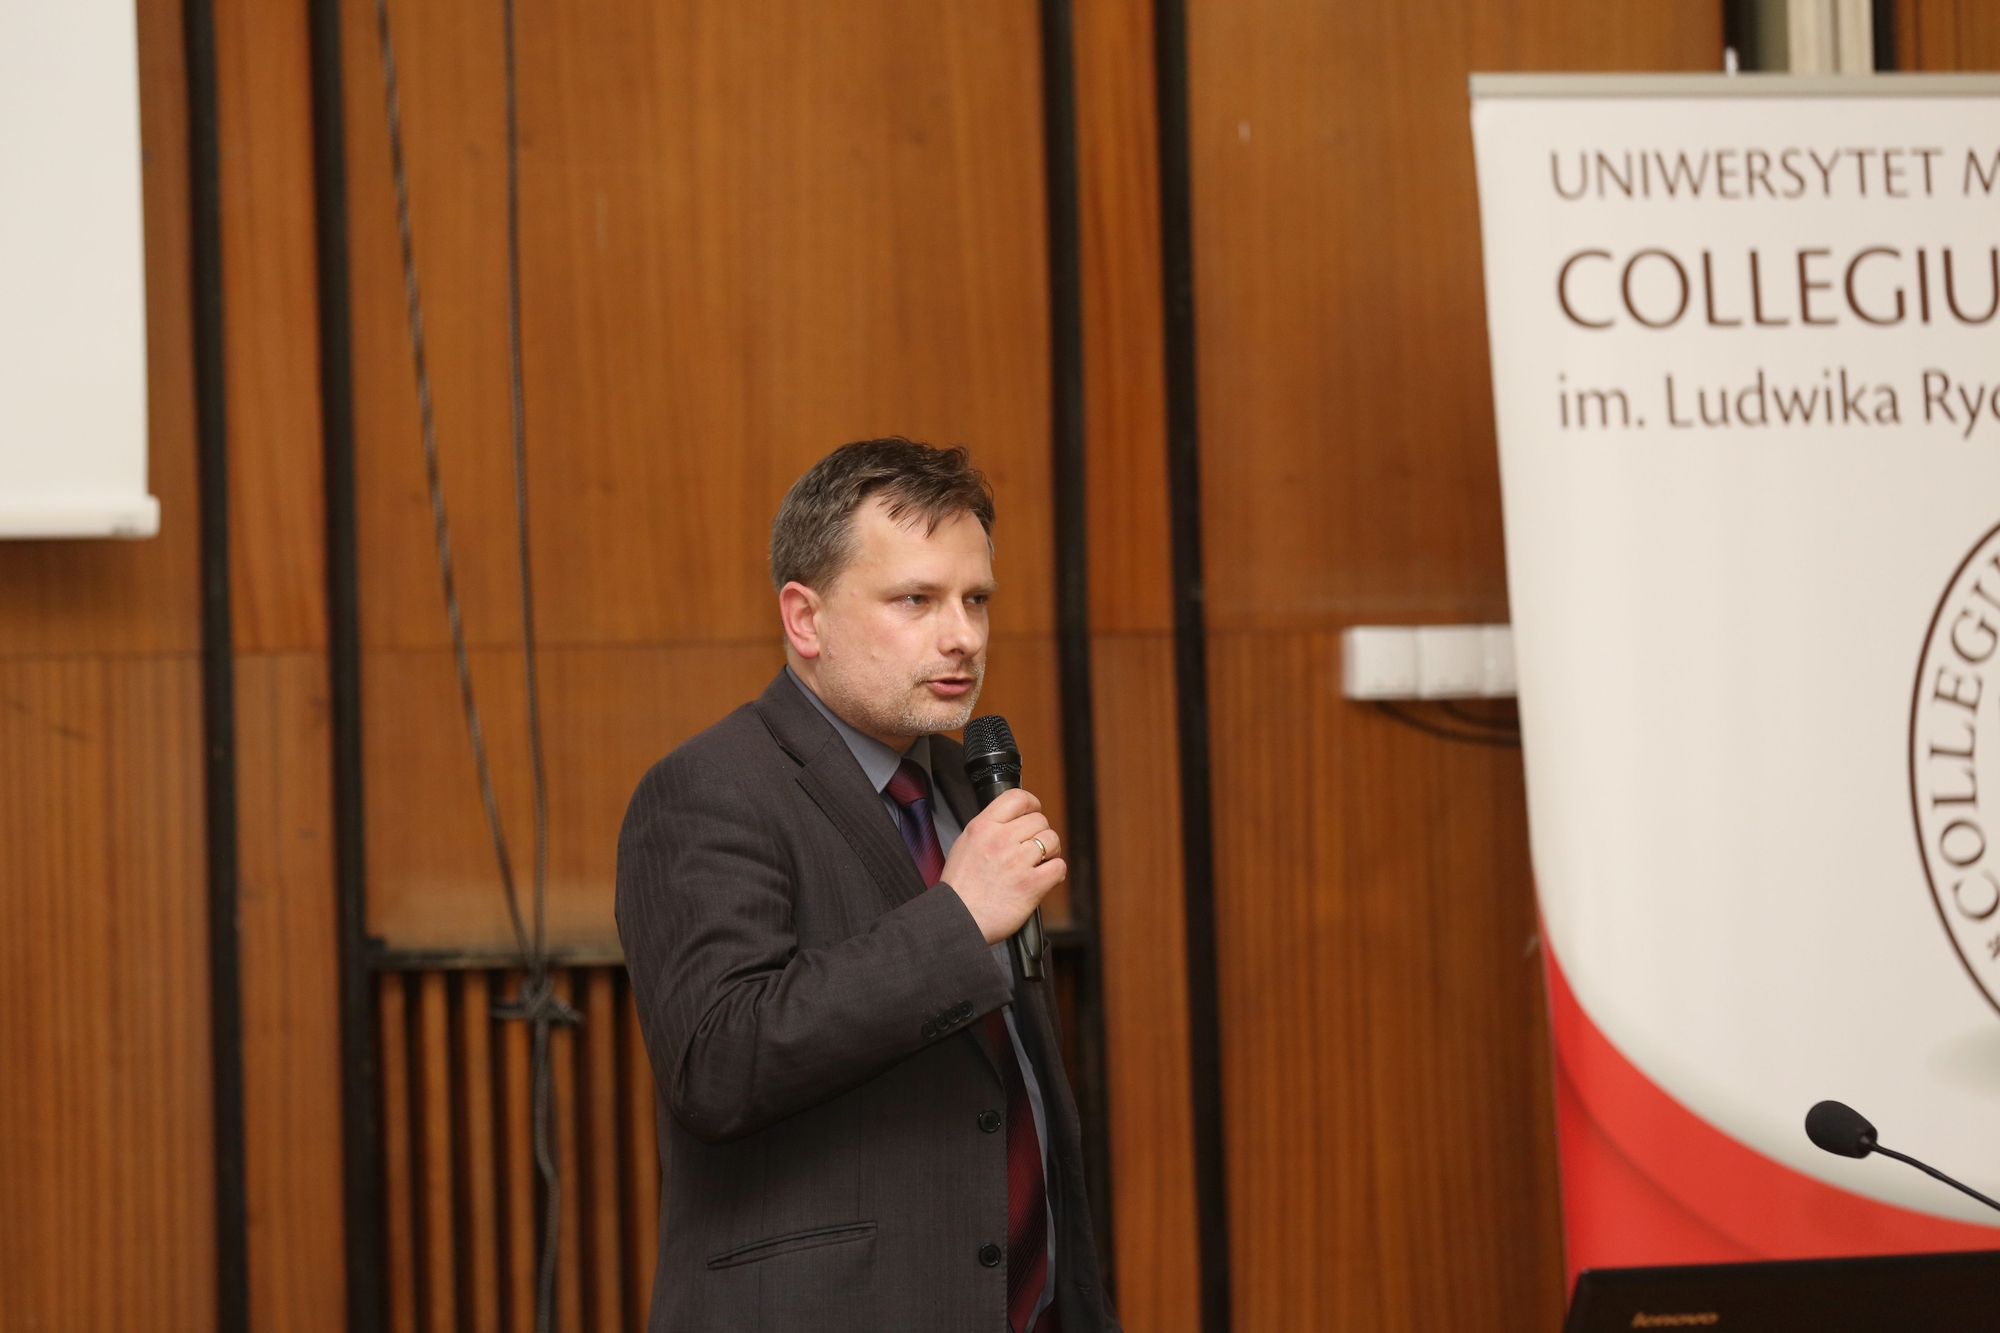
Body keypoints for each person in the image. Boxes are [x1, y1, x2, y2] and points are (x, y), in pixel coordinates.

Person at [617, 438, 1119, 1332]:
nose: (963, 635)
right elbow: (717, 1063)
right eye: (916, 600)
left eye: (975, 599)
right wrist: (957, 919)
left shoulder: (963, 783)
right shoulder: (709, 788)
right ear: (804, 619)